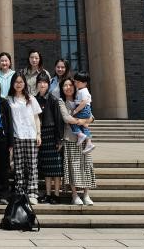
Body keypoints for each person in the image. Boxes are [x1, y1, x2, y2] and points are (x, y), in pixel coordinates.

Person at [59, 77, 96, 205]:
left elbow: (92, 117)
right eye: (65, 85)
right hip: (70, 138)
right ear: (62, 88)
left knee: (86, 166)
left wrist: (84, 120)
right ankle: (74, 195)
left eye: (70, 85)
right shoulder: (61, 101)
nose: (68, 87)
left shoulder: (79, 98)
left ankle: (86, 195)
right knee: (73, 167)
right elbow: (66, 118)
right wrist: (82, 121)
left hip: (85, 140)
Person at [7, 71, 42, 205]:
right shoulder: (9, 99)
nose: (18, 84)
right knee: (19, 166)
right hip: (17, 136)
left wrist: (38, 134)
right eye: (16, 82)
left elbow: (36, 117)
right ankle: (20, 191)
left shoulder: (31, 98)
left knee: (32, 165)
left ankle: (32, 193)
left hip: (31, 135)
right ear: (12, 83)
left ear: (24, 83)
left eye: (21, 82)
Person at [35, 72, 63, 204]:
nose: (42, 84)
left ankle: (56, 194)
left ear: (48, 84)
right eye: (40, 82)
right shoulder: (34, 99)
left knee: (56, 167)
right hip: (41, 135)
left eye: (45, 82)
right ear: (37, 84)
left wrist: (59, 139)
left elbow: (58, 120)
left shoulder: (53, 99)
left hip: (52, 134)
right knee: (46, 167)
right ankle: (47, 193)